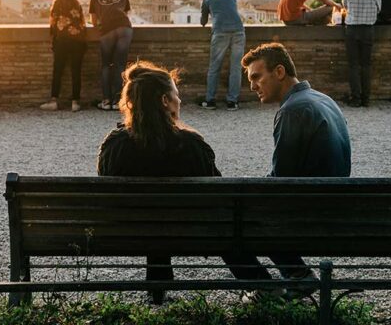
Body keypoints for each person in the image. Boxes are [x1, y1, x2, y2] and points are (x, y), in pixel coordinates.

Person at [97, 61, 274, 304]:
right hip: (193, 231)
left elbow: (105, 191)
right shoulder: (190, 145)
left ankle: (157, 284)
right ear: (164, 102)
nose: (180, 101)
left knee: (154, 217)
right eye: (176, 96)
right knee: (226, 221)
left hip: (128, 230)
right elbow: (219, 194)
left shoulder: (115, 145)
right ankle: (262, 285)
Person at [241, 43, 351, 285]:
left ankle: (288, 278)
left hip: (312, 213)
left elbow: (281, 179)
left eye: (257, 77)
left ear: (279, 72)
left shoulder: (292, 110)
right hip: (337, 203)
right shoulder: (324, 99)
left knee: (242, 216)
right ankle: (295, 273)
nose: (252, 86)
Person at [40, 0, 87, 111]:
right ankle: (75, 102)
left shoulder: (57, 6)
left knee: (58, 72)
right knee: (76, 72)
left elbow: (53, 25)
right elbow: (82, 24)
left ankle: (54, 100)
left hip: (61, 42)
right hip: (77, 42)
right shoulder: (77, 6)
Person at [199, 0, 245, 110]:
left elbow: (203, 21)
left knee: (214, 67)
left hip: (220, 32)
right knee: (236, 68)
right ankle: (232, 102)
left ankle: (210, 101)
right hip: (239, 31)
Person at [341, 0, 380, 107]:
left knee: (353, 65)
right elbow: (379, 7)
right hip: (368, 29)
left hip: (352, 29)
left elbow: (344, 6)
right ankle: (366, 99)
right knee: (366, 65)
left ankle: (355, 98)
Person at [89, 0, 133, 110]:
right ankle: (117, 102)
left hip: (107, 30)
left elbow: (93, 21)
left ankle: (106, 101)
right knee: (120, 66)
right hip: (125, 29)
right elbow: (125, 15)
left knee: (106, 65)